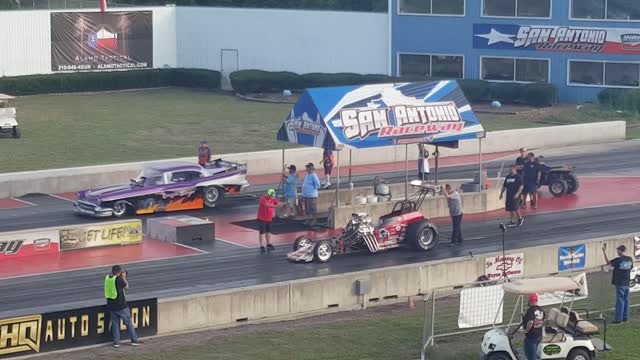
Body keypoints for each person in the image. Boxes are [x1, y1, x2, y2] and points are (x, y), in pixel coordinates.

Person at [104, 265, 142, 348]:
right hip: (121, 305)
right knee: (128, 322)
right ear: (119, 272)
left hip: (111, 305)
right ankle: (134, 340)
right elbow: (126, 287)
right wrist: (124, 277)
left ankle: (116, 342)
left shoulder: (107, 278)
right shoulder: (118, 279)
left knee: (115, 324)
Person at [602, 244, 633, 323]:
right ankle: (625, 318)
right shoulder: (630, 259)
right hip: (627, 283)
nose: (617, 252)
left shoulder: (618, 260)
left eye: (617, 250)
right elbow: (631, 267)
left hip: (619, 283)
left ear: (620, 250)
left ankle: (618, 319)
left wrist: (604, 252)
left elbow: (608, 263)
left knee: (620, 301)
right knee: (626, 300)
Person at [257, 189, 285, 253]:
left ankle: (268, 243)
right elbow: (267, 205)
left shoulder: (272, 198)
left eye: (273, 196)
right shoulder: (262, 199)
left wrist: (284, 203)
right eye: (271, 196)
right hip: (262, 218)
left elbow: (278, 202)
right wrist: (277, 206)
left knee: (268, 231)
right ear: (268, 194)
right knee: (262, 232)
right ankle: (261, 245)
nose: (272, 197)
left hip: (268, 218)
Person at [523, 293, 544, 360]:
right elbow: (542, 320)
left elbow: (530, 322)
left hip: (531, 336)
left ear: (530, 301)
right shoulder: (541, 310)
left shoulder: (530, 310)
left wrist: (526, 330)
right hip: (539, 335)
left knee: (531, 356)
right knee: (534, 353)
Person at [302, 162, 321, 227]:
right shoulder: (307, 175)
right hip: (306, 195)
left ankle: (314, 220)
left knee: (313, 208)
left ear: (310, 168)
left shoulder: (314, 175)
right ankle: (308, 219)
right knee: (308, 209)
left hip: (312, 195)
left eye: (307, 167)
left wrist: (312, 189)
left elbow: (318, 184)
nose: (306, 168)